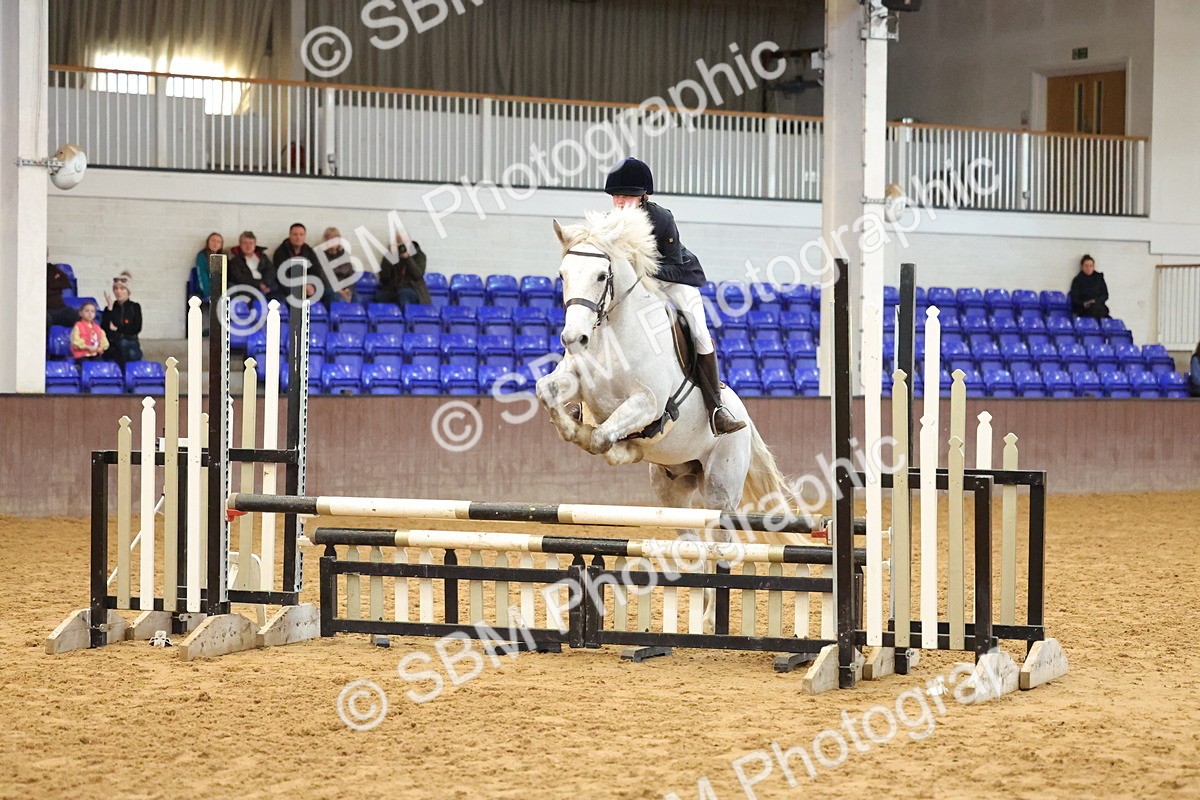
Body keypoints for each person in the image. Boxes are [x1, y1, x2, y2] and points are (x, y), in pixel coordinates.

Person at [603, 156, 745, 435]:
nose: (620, 201)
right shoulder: (609, 222)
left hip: (674, 278)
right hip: (638, 285)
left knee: (700, 331)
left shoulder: (661, 218)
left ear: (643, 196)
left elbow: (674, 264)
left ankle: (716, 408)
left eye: (627, 196)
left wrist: (640, 270)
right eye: (616, 195)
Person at [272, 222, 328, 303]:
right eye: (295, 234)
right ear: (290, 235)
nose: (298, 237)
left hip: (307, 288)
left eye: (301, 234)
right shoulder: (280, 253)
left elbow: (316, 272)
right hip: (287, 289)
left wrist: (312, 285)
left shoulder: (309, 252)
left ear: (305, 236)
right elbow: (281, 277)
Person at [377, 232, 430, 306]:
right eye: (398, 243)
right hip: (393, 288)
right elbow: (384, 276)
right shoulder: (392, 255)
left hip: (414, 289)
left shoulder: (419, 255)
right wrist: (388, 256)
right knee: (380, 296)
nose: (402, 246)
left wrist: (408, 258)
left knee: (403, 293)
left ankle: (405, 316)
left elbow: (418, 275)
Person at [103, 271, 143, 368]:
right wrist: (110, 309)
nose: (118, 291)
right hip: (113, 345)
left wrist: (117, 329)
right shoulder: (110, 308)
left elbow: (136, 328)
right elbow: (105, 329)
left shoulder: (135, 307)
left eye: (122, 289)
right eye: (116, 289)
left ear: (128, 291)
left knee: (128, 350)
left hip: (130, 343)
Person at [229, 231, 281, 300]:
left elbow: (271, 271)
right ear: (240, 245)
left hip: (266, 286)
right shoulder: (235, 261)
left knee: (278, 290)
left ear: (255, 245)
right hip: (247, 289)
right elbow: (239, 278)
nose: (248, 246)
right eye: (245, 243)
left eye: (251, 243)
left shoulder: (263, 257)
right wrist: (259, 284)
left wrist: (265, 284)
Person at [70, 300, 108, 366]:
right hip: (82, 355)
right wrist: (87, 347)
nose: (90, 313)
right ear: (81, 313)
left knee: (100, 366)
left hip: (95, 354)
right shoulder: (78, 326)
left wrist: (101, 347)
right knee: (86, 365)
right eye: (87, 311)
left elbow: (104, 341)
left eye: (92, 311)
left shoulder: (98, 328)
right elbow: (75, 341)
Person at [46, 262, 79, 328]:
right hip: (45, 310)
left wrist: (50, 286)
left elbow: (65, 282)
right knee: (44, 320)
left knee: (79, 317)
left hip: (60, 308)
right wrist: (55, 285)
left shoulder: (51, 268)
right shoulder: (33, 271)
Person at [192, 232, 223, 301]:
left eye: (218, 242)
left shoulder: (222, 257)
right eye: (213, 240)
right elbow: (202, 277)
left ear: (221, 245)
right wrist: (209, 293)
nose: (215, 243)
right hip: (206, 290)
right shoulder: (202, 256)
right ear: (208, 242)